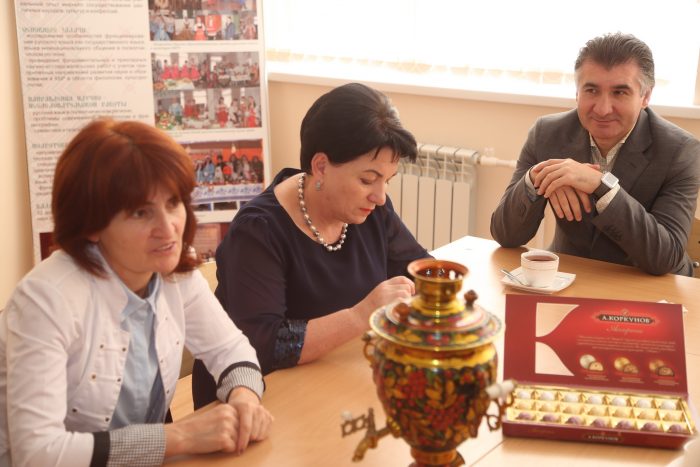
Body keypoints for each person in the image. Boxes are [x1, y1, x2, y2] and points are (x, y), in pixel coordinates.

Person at [0, 119, 272, 467]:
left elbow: (230, 350)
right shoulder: (45, 301)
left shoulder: (175, 271)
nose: (168, 228)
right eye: (141, 212)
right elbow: (38, 453)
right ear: (91, 224)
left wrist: (244, 398)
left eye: (173, 203)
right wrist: (182, 436)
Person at [191, 82, 431, 408]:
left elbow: (418, 270)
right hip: (253, 402)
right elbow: (263, 346)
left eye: (386, 181)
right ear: (320, 166)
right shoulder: (258, 231)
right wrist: (361, 316)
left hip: (332, 381)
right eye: (367, 179)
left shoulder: (370, 210)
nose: (379, 196)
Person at [490, 33, 700, 276]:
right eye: (591, 90)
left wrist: (601, 186)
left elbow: (666, 257)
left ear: (645, 96)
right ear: (577, 92)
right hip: (569, 276)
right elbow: (505, 235)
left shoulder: (681, 151)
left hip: (649, 283)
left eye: (619, 92)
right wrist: (540, 176)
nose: (602, 109)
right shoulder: (547, 133)